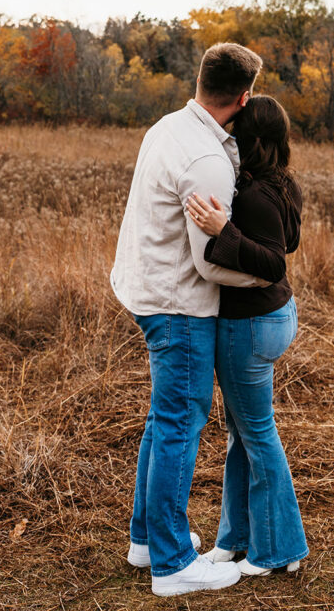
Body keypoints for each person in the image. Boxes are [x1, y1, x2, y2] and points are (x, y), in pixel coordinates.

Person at [109, 42, 268, 598]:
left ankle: (147, 540)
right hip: (177, 304)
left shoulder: (168, 127)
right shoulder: (207, 161)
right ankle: (174, 564)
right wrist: (265, 278)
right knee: (179, 422)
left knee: (164, 419)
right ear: (244, 98)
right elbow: (210, 264)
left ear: (201, 80)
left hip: (146, 288)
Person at [185, 94, 309, 576]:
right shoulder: (282, 183)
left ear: (249, 139)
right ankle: (233, 540)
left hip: (250, 326)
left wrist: (224, 230)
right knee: (242, 432)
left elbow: (275, 261)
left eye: (236, 132)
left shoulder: (255, 194)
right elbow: (287, 241)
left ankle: (280, 551)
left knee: (257, 434)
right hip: (274, 316)